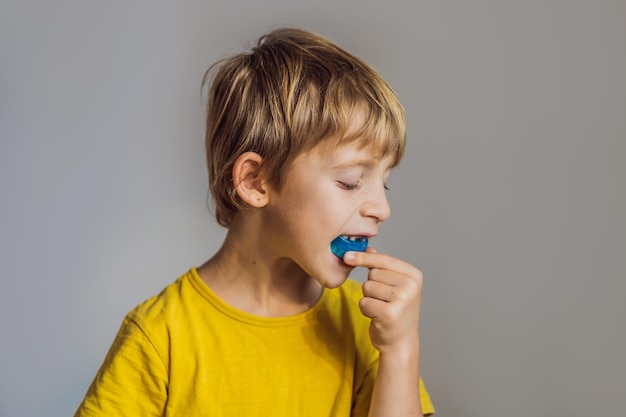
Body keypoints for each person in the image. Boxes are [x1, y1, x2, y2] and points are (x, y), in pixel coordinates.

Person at [75, 27, 435, 417]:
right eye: (351, 182)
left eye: (385, 183)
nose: (381, 208)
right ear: (254, 181)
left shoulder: (365, 326)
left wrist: (400, 351)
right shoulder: (161, 337)